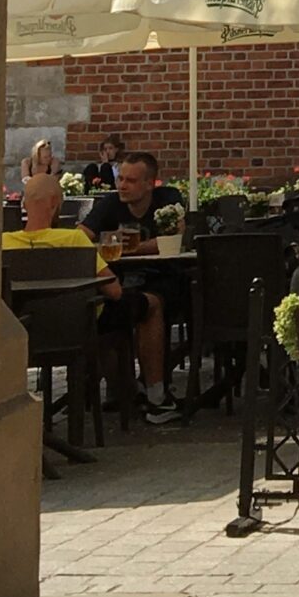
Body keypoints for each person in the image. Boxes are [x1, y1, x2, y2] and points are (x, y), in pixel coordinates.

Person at [2, 174, 180, 421]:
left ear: (24, 203)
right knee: (146, 304)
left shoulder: (3, 244)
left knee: (108, 315)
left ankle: (120, 392)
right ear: (55, 203)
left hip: (25, 332)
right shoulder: (74, 240)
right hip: (76, 331)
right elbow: (114, 290)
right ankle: (156, 397)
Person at [81, 152, 186, 414]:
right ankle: (125, 390)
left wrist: (126, 247)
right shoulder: (109, 203)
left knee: (150, 304)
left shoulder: (168, 199)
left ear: (149, 183)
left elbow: (174, 239)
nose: (122, 186)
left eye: (130, 180)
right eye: (121, 179)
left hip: (163, 277)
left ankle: (155, 395)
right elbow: (80, 237)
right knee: (102, 311)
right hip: (120, 282)